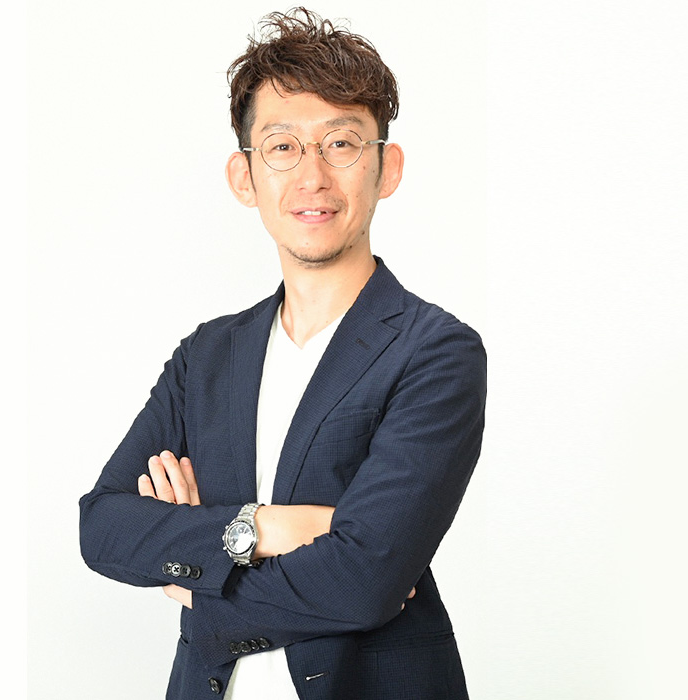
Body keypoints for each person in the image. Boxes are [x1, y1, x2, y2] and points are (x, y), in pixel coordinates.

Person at [79, 8, 486, 699]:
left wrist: (195, 580)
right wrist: (260, 527)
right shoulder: (206, 357)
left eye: (342, 143)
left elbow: (365, 581)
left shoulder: (436, 352)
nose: (313, 177)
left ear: (386, 168)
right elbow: (104, 527)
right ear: (244, 177)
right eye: (283, 147)